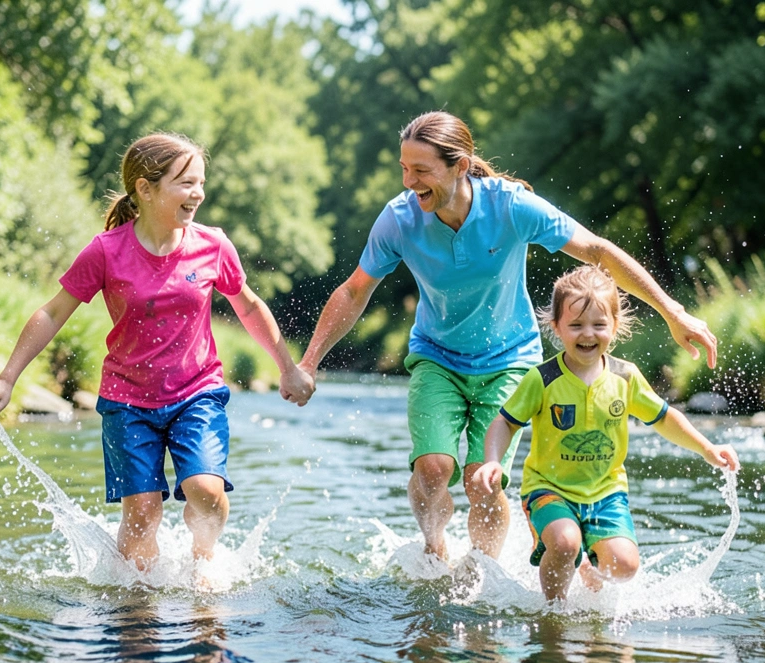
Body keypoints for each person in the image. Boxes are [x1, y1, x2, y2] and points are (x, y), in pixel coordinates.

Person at [296, 110, 718, 562]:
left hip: (509, 360)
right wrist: (309, 361)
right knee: (434, 469)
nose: (408, 181)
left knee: (483, 475)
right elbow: (355, 290)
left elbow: (596, 250)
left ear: (459, 165)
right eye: (404, 168)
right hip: (436, 357)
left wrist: (673, 311)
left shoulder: (510, 206)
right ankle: (434, 546)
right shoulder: (399, 220)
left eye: (421, 171)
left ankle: (482, 571)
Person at [0, 133, 314, 575]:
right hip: (127, 402)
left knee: (207, 493)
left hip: (198, 393)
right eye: (186, 183)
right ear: (145, 189)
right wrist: (7, 377)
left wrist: (288, 367)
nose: (198, 194)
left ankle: (204, 566)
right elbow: (53, 312)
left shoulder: (213, 245)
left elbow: (247, 305)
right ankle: (138, 607)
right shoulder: (106, 251)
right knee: (142, 516)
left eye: (201, 182)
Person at [474, 265, 740, 601]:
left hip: (606, 493)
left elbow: (664, 418)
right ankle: (554, 613)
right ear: (556, 327)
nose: (588, 334)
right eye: (576, 325)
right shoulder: (542, 378)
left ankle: (590, 568)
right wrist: (493, 460)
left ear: (615, 326)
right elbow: (505, 422)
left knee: (625, 566)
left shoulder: (625, 378)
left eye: (599, 325)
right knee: (566, 542)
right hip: (548, 488)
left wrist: (706, 448)